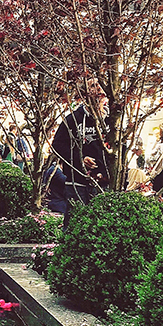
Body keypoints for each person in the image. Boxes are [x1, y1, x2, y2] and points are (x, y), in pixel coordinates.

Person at [51, 93, 109, 228]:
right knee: (74, 223)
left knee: (102, 224)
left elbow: (119, 148)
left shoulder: (111, 121)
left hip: (104, 182)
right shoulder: (73, 119)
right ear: (84, 94)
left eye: (99, 86)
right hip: (77, 181)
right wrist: (80, 159)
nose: (98, 91)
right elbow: (57, 145)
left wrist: (106, 173)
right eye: (93, 87)